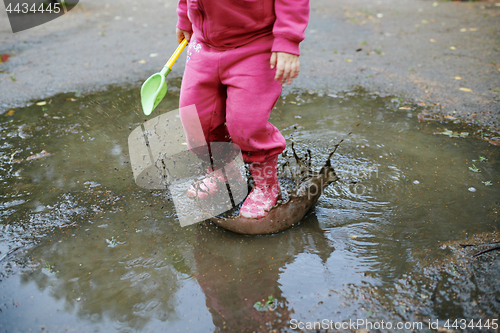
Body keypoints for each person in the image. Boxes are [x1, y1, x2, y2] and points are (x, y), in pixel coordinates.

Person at [177, 0, 309, 219]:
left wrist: (288, 40)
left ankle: (266, 185)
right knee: (195, 119)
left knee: (247, 123)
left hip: (255, 44)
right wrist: (184, 15)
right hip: (204, 44)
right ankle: (223, 170)